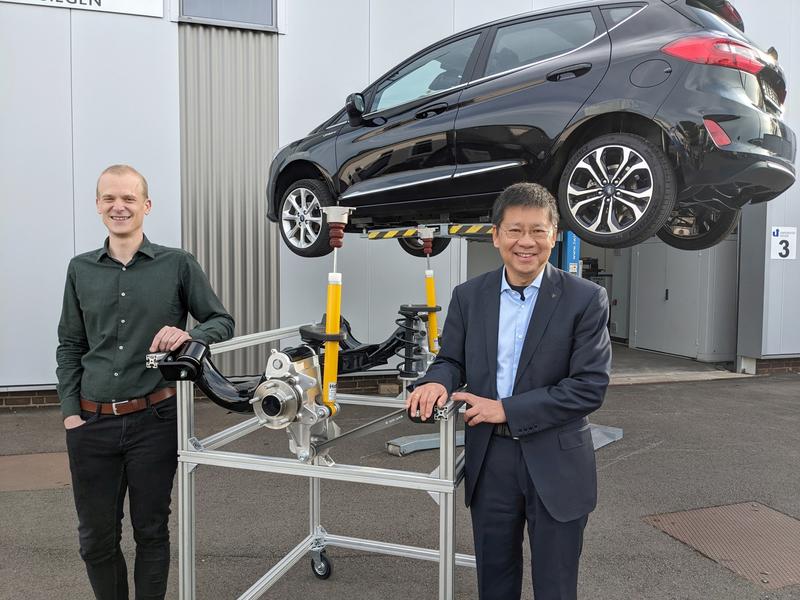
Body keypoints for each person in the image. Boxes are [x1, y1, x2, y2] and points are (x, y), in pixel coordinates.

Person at [407, 182, 611, 600]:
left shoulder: (586, 299)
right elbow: (452, 360)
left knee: (556, 587)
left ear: (554, 236)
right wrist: (434, 381)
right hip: (491, 461)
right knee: (495, 582)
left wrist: (507, 409)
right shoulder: (469, 296)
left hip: (556, 460)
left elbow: (589, 387)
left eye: (538, 230)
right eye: (515, 230)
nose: (526, 242)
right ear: (496, 235)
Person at [56, 164, 234, 600]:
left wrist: (191, 334)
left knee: (151, 530)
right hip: (91, 422)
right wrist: (70, 414)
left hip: (154, 419)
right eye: (110, 199)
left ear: (146, 206)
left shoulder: (177, 264)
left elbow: (221, 320)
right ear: (98, 205)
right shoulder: (80, 269)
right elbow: (70, 345)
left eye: (129, 199)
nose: (119, 207)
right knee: (95, 539)